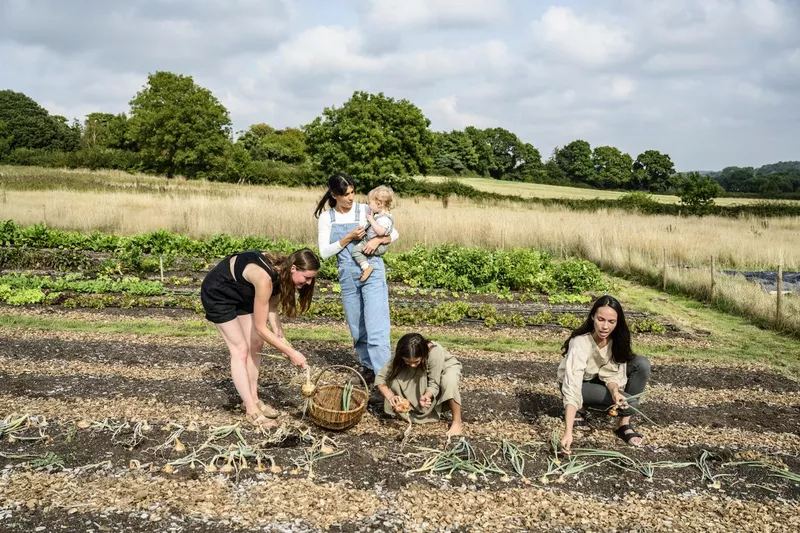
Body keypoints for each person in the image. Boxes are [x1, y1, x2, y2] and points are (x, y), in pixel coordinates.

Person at [201, 249, 320, 429]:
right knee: (240, 349)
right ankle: (250, 410)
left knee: (256, 344)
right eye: (307, 278)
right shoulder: (264, 278)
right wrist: (291, 352)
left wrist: (283, 340)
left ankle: (254, 399)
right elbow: (261, 327)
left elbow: (272, 309)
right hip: (219, 293)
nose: (309, 283)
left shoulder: (282, 275)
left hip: (242, 292)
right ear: (294, 268)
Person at [315, 173, 399, 383]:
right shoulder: (327, 218)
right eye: (345, 194)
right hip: (348, 275)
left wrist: (379, 240)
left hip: (372, 269)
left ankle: (383, 378)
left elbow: (394, 233)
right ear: (334, 195)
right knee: (357, 326)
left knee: (376, 326)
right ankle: (369, 367)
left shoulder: (365, 209)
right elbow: (324, 252)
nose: (351, 198)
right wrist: (347, 238)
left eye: (352, 192)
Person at [557, 295, 652, 452]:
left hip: (599, 381)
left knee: (641, 364)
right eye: (601, 319)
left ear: (617, 322)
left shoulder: (616, 341)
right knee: (632, 404)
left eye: (611, 322)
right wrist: (568, 432)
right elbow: (572, 384)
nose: (605, 326)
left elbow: (611, 374)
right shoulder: (580, 343)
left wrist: (615, 392)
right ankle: (578, 409)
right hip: (580, 384)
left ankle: (623, 424)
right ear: (593, 316)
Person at [375, 333, 464, 437]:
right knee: (394, 380)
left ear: (423, 354)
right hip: (422, 367)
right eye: (407, 361)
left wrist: (427, 395)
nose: (412, 365)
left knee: (448, 382)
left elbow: (434, 383)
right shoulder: (402, 352)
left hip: (444, 367)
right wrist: (390, 397)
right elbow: (380, 378)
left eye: (415, 361)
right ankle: (409, 408)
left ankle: (457, 421)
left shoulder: (435, 352)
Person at [350, 185, 396, 282]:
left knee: (355, 251)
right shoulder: (379, 215)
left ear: (379, 204)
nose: (368, 205)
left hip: (379, 246)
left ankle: (366, 267)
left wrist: (371, 220)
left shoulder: (384, 219)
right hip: (372, 241)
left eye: (370, 203)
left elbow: (380, 232)